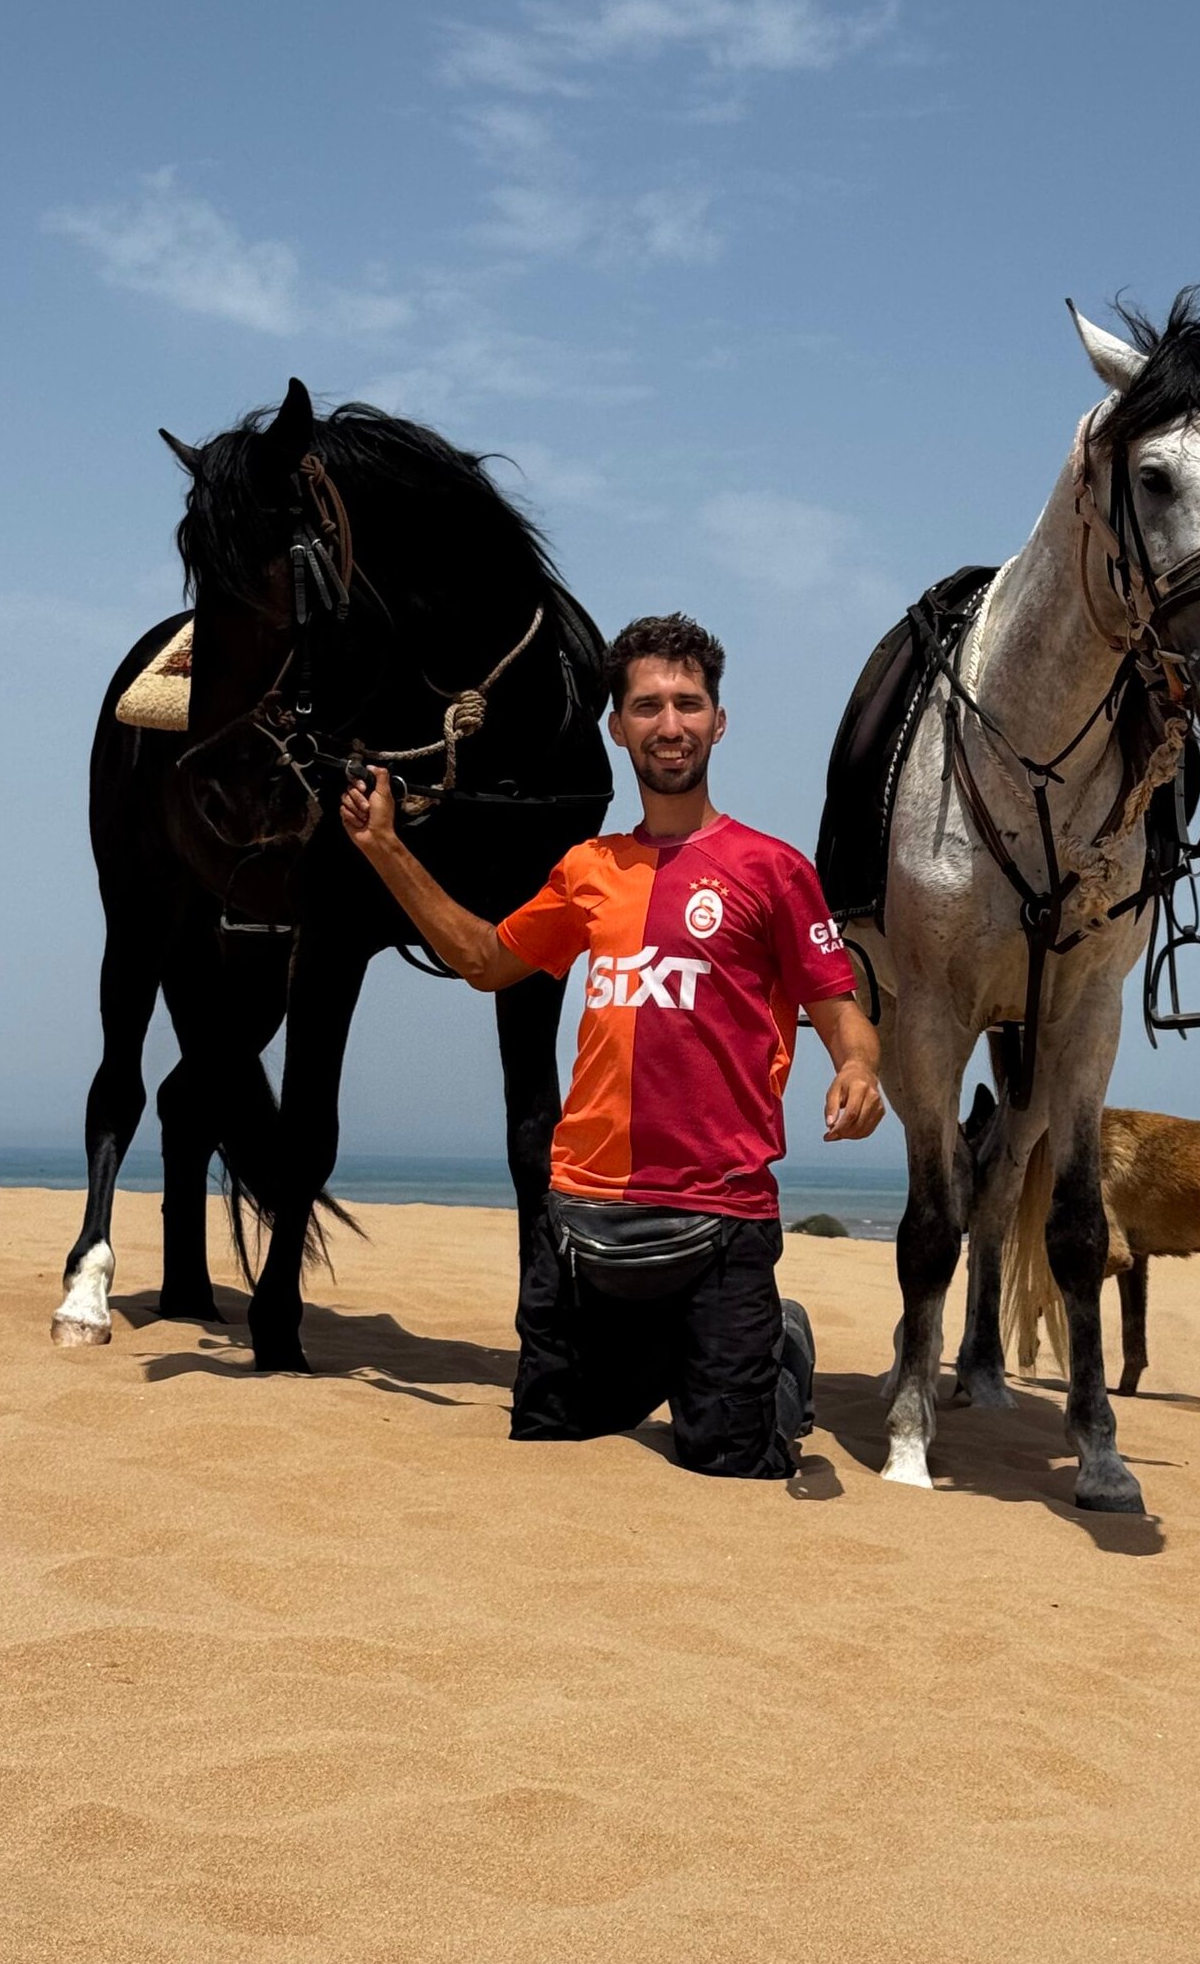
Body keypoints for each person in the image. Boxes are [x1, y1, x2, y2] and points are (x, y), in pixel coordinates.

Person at [340, 612, 883, 1479]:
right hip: (585, 1221)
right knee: (549, 1437)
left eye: (689, 703)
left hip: (719, 1220)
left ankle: (774, 1347)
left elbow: (839, 1008)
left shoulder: (773, 869)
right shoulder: (587, 867)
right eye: (648, 706)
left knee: (730, 1460)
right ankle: (676, 1359)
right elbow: (484, 960)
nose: (670, 724)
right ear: (618, 727)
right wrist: (385, 849)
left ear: (718, 720)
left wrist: (858, 1067)